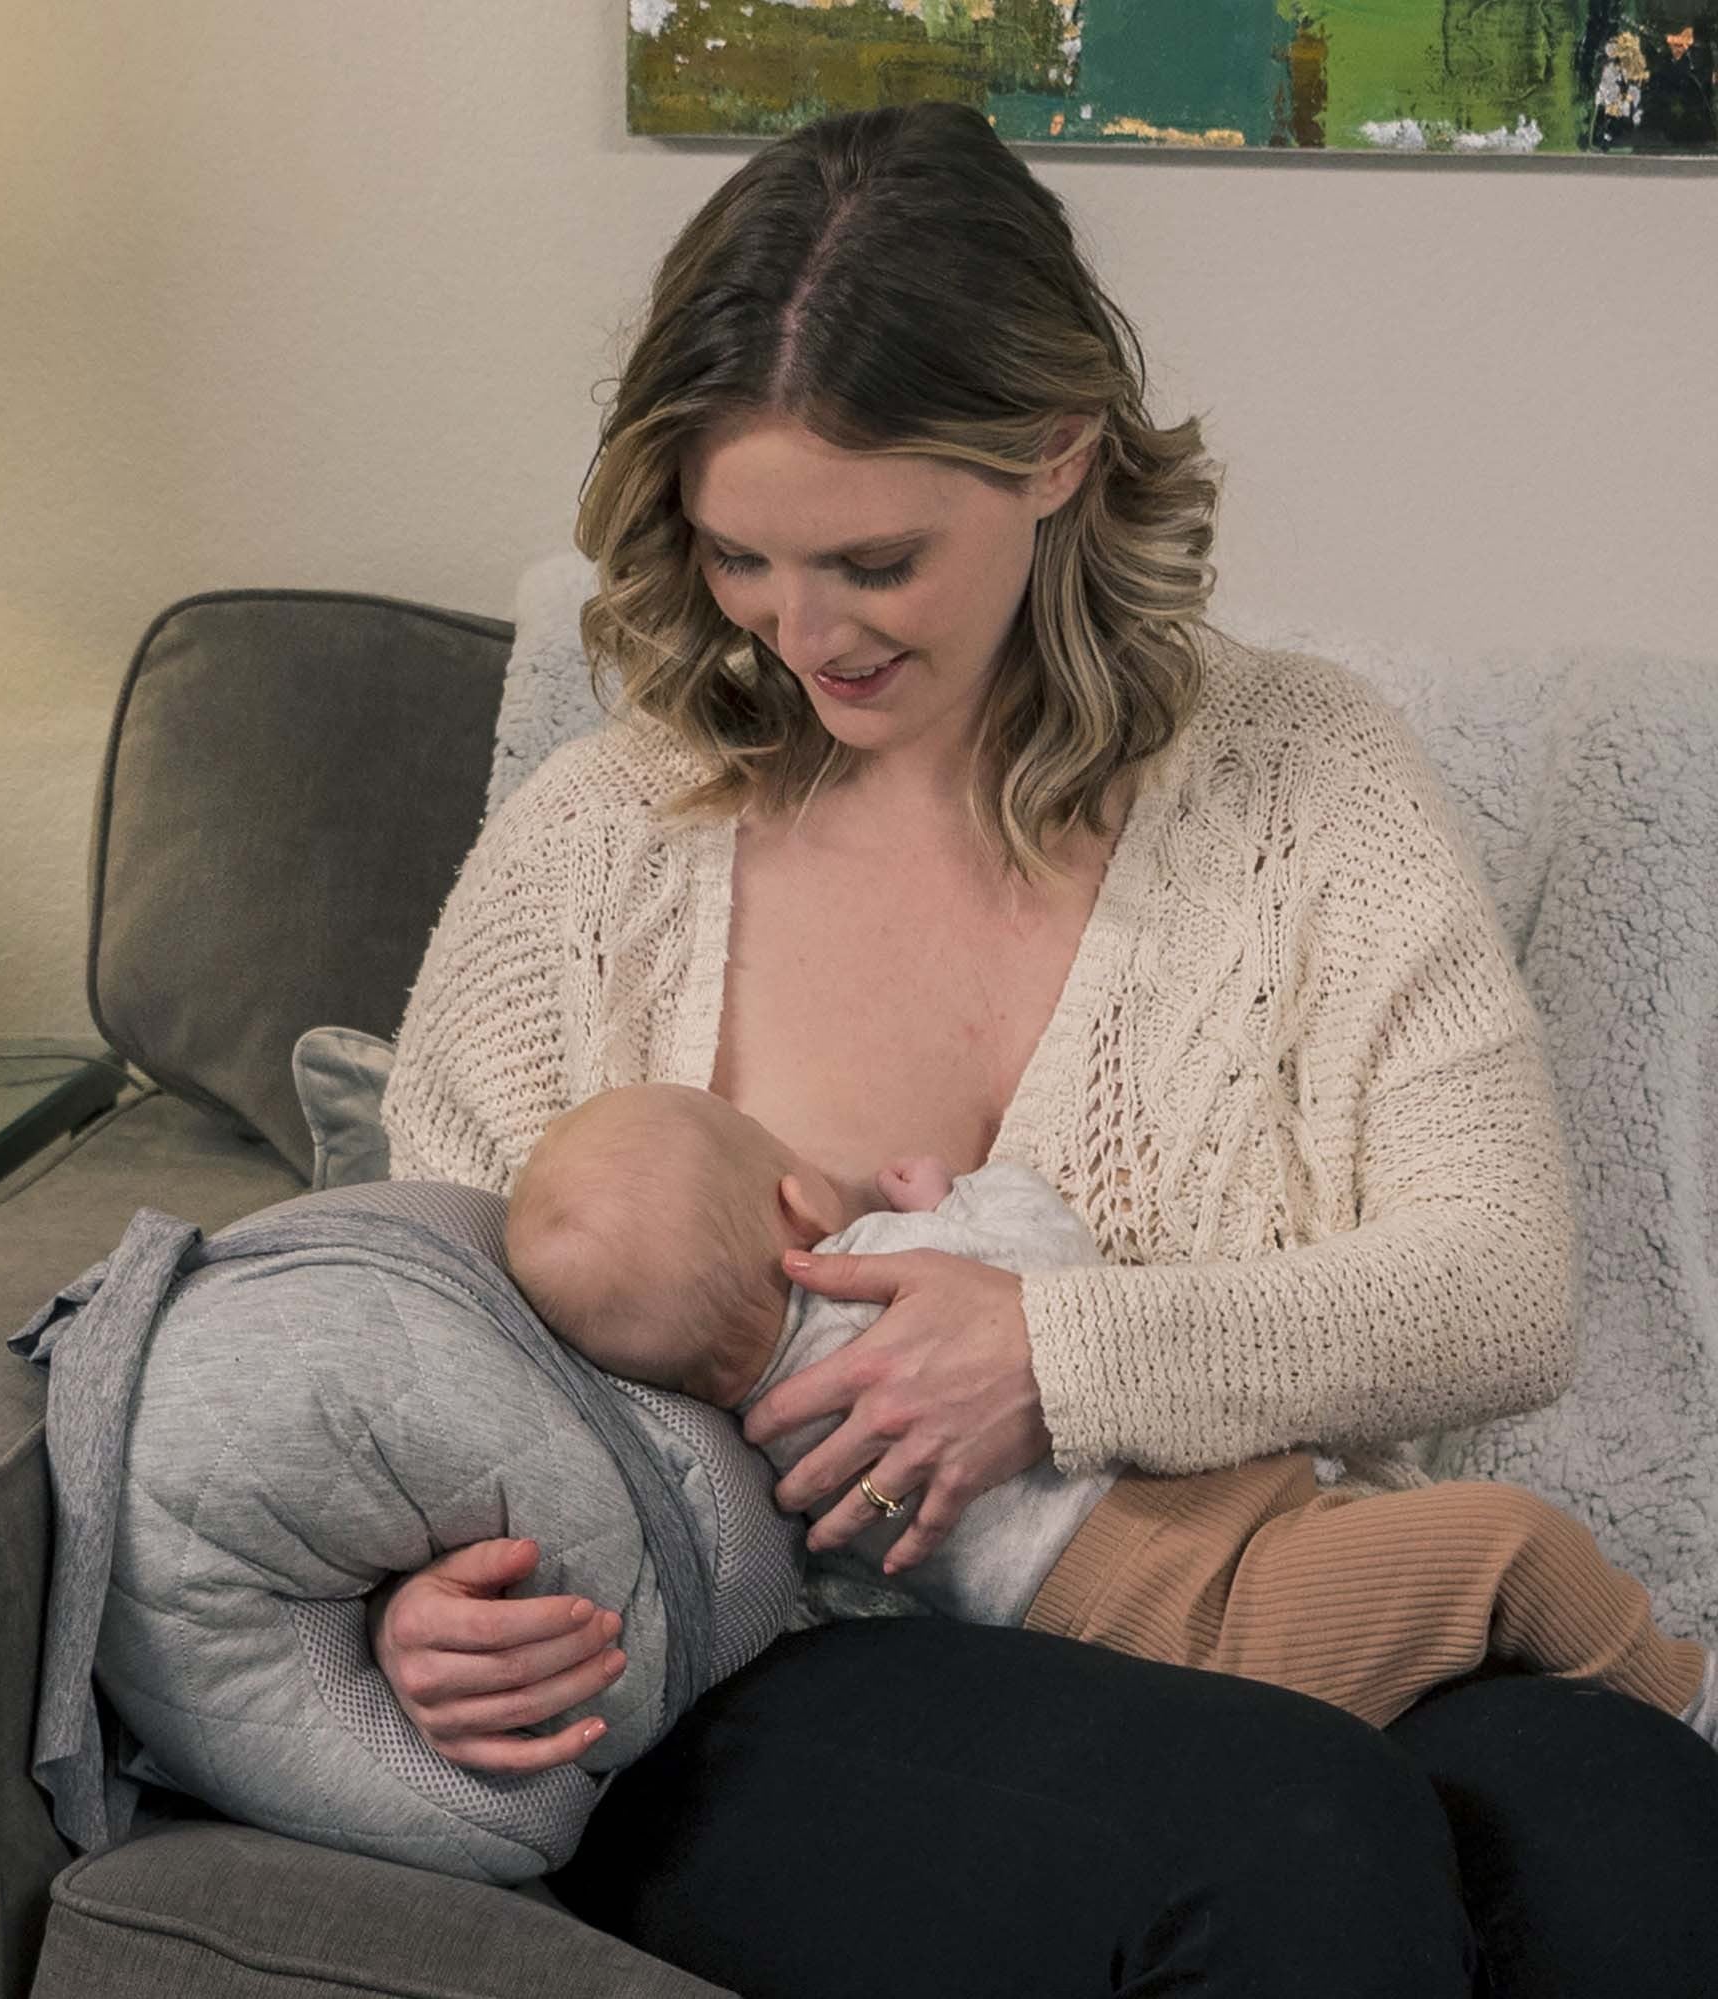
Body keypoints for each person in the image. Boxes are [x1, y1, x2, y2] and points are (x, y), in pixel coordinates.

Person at [368, 99, 1718, 1997]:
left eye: (870, 559)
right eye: (740, 555)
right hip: (776, 1667)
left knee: (1623, 1823)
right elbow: (388, 1325)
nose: (795, 631)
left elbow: (1495, 1283)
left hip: (1253, 1579)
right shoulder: (602, 844)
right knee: (1290, 1843)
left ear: (1056, 454)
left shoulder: (1295, 779)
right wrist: (414, 1600)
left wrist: (1048, 1354)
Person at [501, 1079, 1718, 1740]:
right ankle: (1679, 1692)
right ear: (794, 1198)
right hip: (1220, 1591)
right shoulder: (881, 1260)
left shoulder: (761, 1445)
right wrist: (960, 1194)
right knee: (1502, 1542)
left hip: (1105, 1650)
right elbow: (1053, 1266)